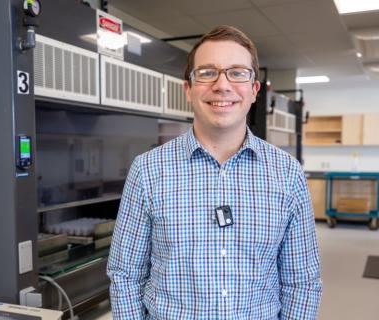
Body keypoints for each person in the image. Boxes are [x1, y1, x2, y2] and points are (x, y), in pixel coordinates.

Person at [107, 25, 322, 319]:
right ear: (188, 89)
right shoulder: (148, 170)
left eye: (237, 72)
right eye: (207, 73)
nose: (222, 85)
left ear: (254, 90)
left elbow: (303, 283)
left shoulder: (287, 174)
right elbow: (125, 276)